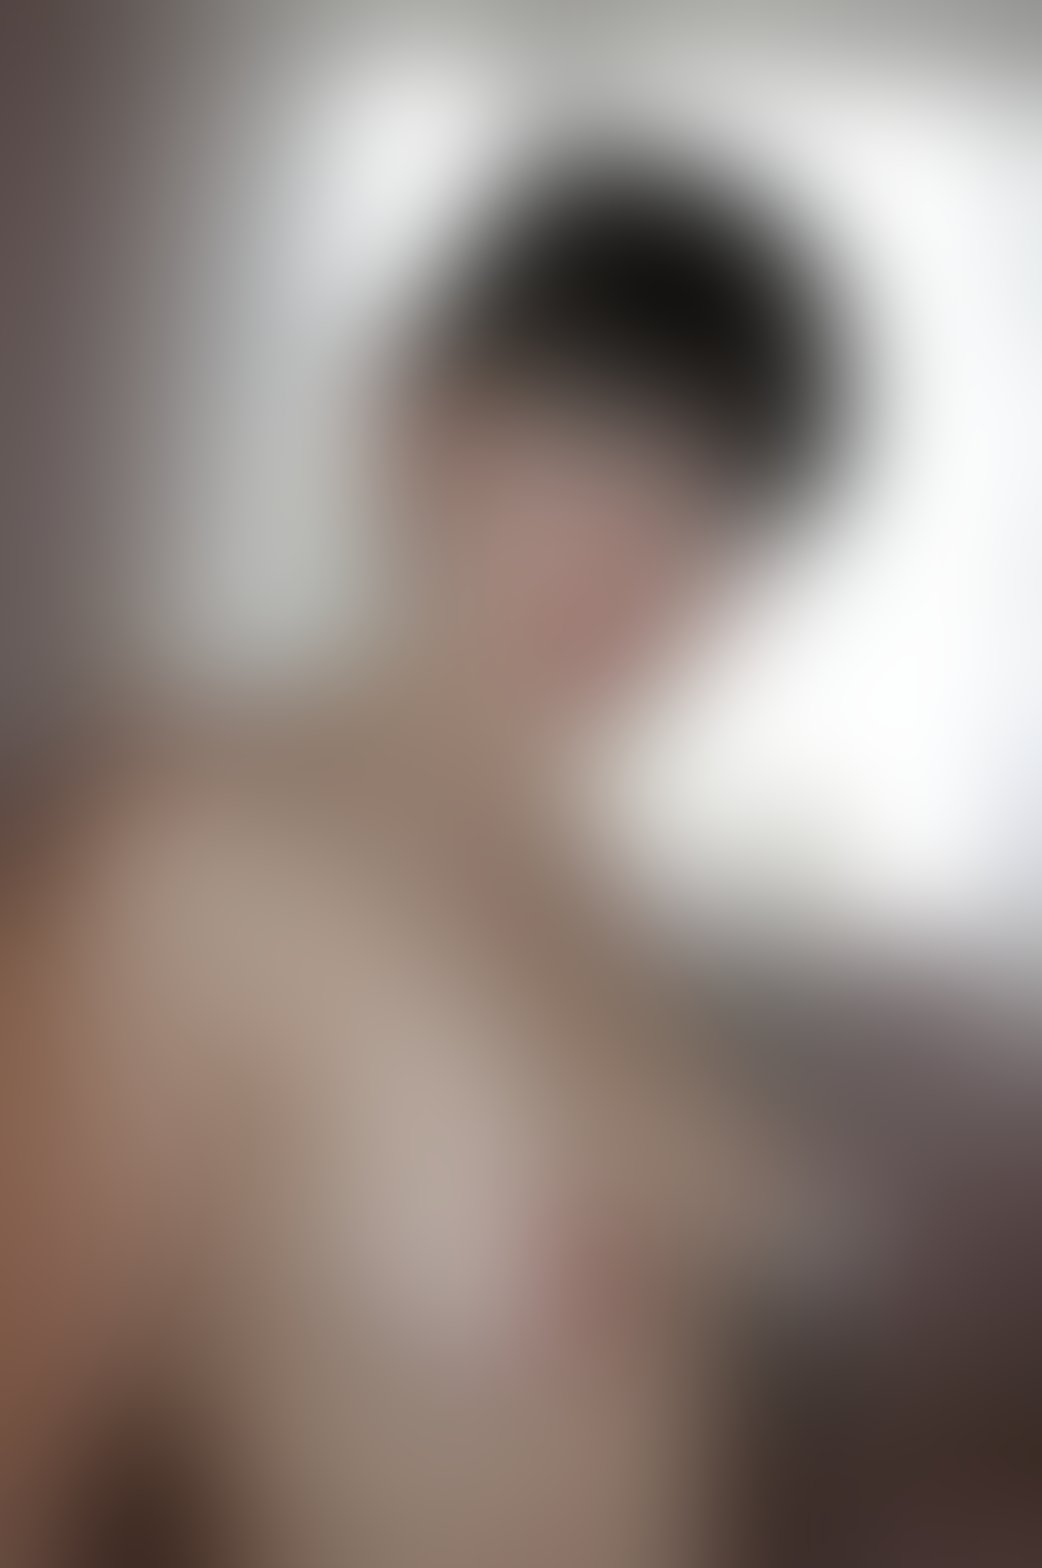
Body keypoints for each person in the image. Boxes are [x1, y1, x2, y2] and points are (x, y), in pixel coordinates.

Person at [1, 156, 841, 1567]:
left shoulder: (590, 903)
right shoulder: (188, 858)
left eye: (714, 495)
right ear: (413, 428)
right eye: (588, 438)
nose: (642, 543)